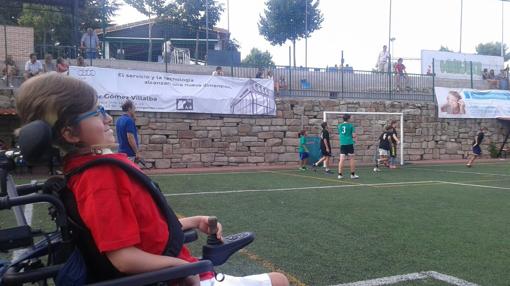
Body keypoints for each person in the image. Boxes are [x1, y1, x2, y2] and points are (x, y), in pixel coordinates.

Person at [15, 73, 289, 286]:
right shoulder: (100, 178)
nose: (108, 118)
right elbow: (123, 258)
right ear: (71, 134)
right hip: (178, 279)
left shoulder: (88, 171)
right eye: (97, 113)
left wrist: (193, 222)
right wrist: (184, 269)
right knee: (279, 281)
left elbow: (144, 234)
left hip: (178, 272)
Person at [337, 114, 359, 179]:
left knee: (341, 159)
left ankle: (340, 175)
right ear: (348, 119)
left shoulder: (339, 126)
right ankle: (352, 175)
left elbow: (340, 134)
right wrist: (355, 138)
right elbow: (354, 135)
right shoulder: (350, 125)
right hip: (349, 143)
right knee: (351, 159)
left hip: (343, 144)